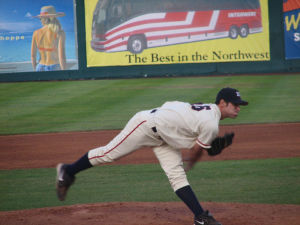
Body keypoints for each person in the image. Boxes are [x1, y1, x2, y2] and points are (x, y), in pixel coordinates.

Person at [56, 87, 248, 225]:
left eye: (240, 105)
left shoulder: (208, 114)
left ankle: (200, 216)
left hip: (165, 137)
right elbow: (196, 151)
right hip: (146, 126)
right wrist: (198, 158)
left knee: (177, 176)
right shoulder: (211, 124)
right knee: (108, 154)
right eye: (235, 104)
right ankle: (68, 170)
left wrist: (211, 148)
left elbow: (197, 141)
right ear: (222, 103)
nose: (238, 107)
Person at [31, 6, 66, 71]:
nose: (40, 20)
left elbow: (33, 56)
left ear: (45, 19)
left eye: (41, 18)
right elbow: (62, 57)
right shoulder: (59, 33)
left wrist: (35, 69)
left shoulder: (36, 33)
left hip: (40, 66)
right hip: (54, 67)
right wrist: (64, 72)